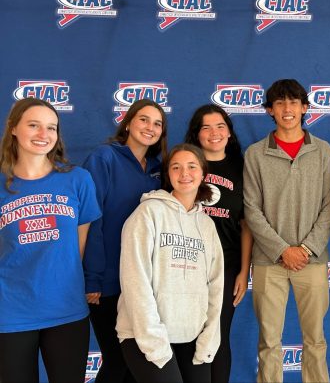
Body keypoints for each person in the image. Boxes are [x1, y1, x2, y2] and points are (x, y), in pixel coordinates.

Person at [0, 98, 101, 382]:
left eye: (51, 128)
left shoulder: (78, 180)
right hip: (11, 311)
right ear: (14, 128)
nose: (44, 135)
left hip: (66, 310)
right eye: (34, 125)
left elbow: (80, 247)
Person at [244, 79, 330, 383]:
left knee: (316, 341)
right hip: (270, 261)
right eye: (280, 103)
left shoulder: (323, 151)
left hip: (313, 260)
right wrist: (283, 249)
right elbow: (251, 209)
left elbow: (329, 207)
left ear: (305, 108)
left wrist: (305, 249)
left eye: (294, 102)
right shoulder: (255, 154)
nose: (287, 109)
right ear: (270, 110)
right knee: (269, 342)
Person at [116, 143, 224, 383]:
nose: (184, 173)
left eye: (192, 166)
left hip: (191, 335)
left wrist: (209, 337)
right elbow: (136, 282)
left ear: (203, 174)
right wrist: (154, 343)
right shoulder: (147, 213)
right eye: (176, 167)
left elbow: (216, 286)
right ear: (168, 175)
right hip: (143, 333)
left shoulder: (207, 225)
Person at [83, 99, 168, 382]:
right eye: (144, 120)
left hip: (142, 283)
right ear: (129, 122)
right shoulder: (104, 158)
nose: (150, 127)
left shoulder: (158, 169)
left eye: (157, 123)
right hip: (107, 282)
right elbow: (91, 220)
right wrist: (93, 278)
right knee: (117, 359)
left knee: (137, 361)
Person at [184, 104, 252, 383]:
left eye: (220, 126)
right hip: (186, 263)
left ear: (229, 133)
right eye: (206, 127)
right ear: (197, 134)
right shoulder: (186, 164)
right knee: (189, 334)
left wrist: (243, 271)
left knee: (218, 335)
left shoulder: (243, 168)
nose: (214, 133)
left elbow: (247, 224)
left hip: (226, 264)